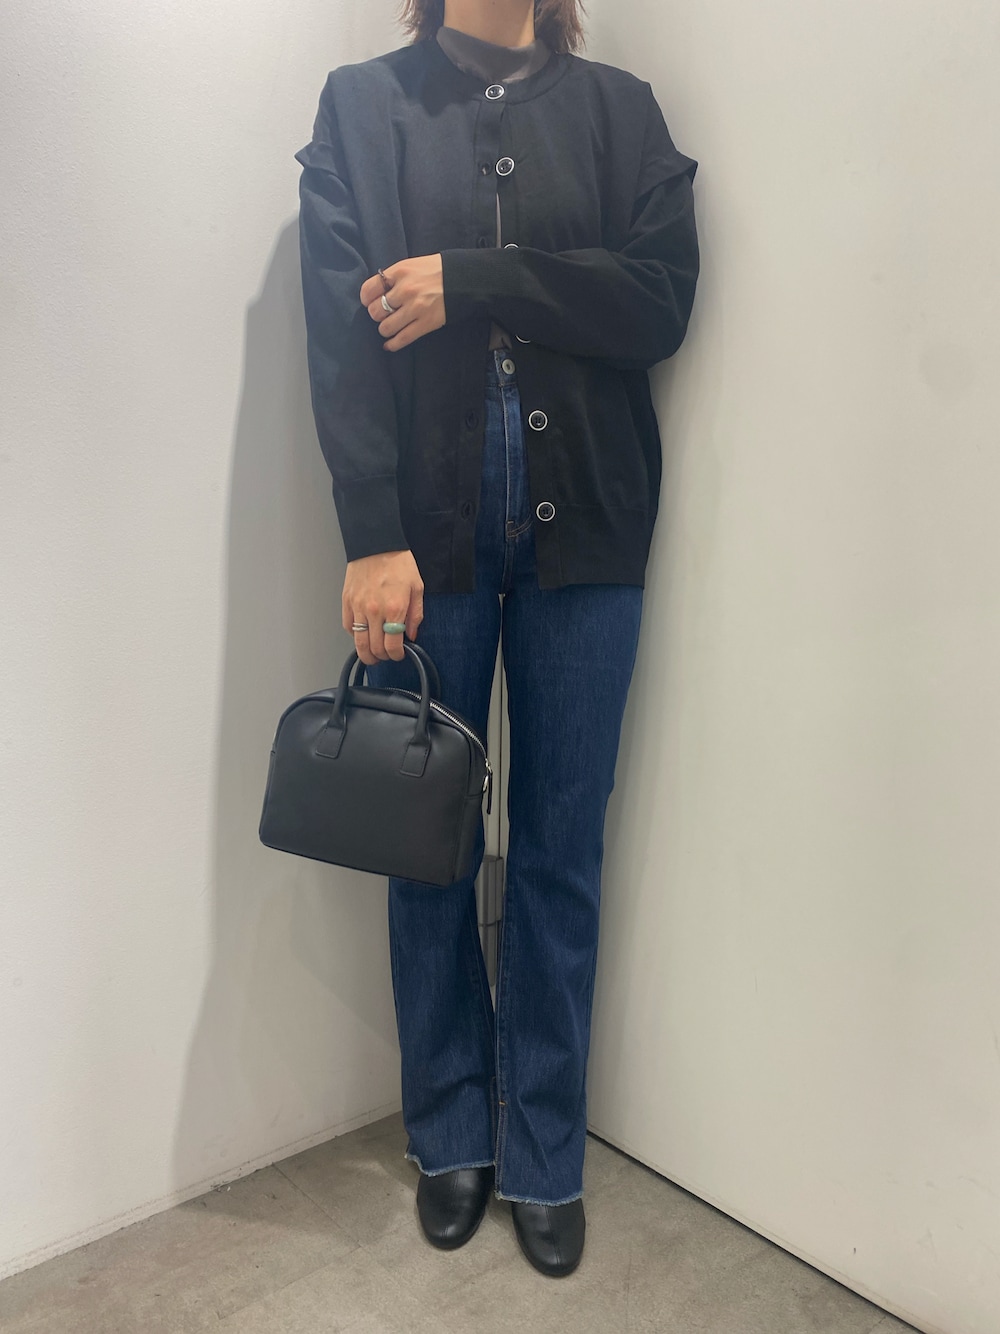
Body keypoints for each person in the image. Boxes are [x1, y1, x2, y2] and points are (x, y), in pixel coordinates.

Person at [294, 0, 699, 1278]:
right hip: (424, 539)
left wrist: (474, 278)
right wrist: (370, 533)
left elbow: (658, 302)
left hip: (591, 530)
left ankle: (542, 1151)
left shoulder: (620, 112)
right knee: (427, 842)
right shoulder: (364, 107)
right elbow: (340, 336)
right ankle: (451, 1130)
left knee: (561, 845)